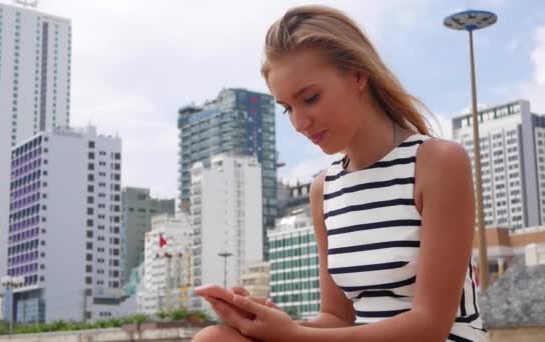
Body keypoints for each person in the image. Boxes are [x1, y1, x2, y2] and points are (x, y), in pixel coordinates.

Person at [192, 4, 487, 342]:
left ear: (358, 75)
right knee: (214, 339)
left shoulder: (437, 162)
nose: (300, 124)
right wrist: (268, 323)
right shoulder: (324, 189)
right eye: (288, 108)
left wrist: (294, 336)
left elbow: (430, 325)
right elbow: (336, 318)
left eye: (311, 98)